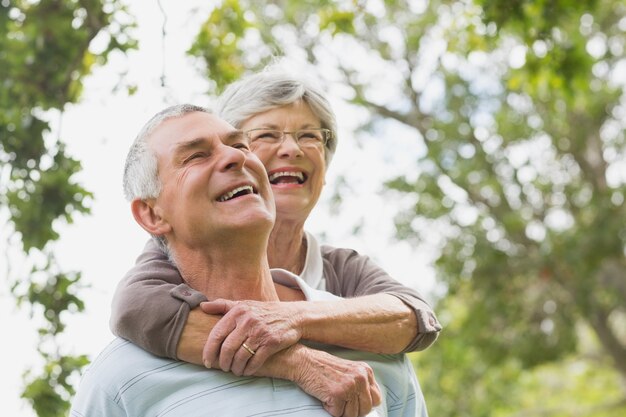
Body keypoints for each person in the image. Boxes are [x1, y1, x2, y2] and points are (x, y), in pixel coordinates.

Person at [70, 104, 427, 417]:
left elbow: (415, 316)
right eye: (196, 155)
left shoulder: (372, 349)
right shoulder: (118, 379)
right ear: (151, 215)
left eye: (240, 145)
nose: (236, 156)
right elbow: (133, 305)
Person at [109, 68, 441, 382]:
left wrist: (290, 317)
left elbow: (415, 317)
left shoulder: (340, 267)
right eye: (266, 135)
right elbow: (134, 307)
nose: (292, 149)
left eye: (309, 136)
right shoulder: (174, 253)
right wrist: (298, 363)